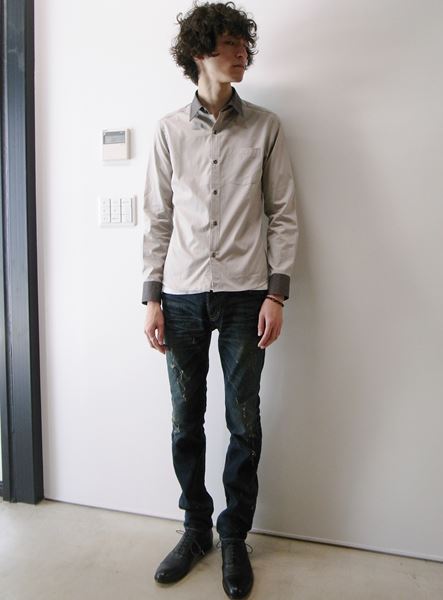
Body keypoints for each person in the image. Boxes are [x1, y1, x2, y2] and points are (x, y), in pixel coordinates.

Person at [142, 2, 298, 598]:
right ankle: (195, 529)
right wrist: (151, 298)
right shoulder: (168, 131)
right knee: (185, 420)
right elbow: (158, 219)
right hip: (180, 296)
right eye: (230, 44)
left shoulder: (266, 127)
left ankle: (234, 535)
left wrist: (276, 293)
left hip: (244, 296)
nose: (242, 54)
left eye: (244, 44)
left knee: (243, 421)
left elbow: (283, 214)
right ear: (200, 53)